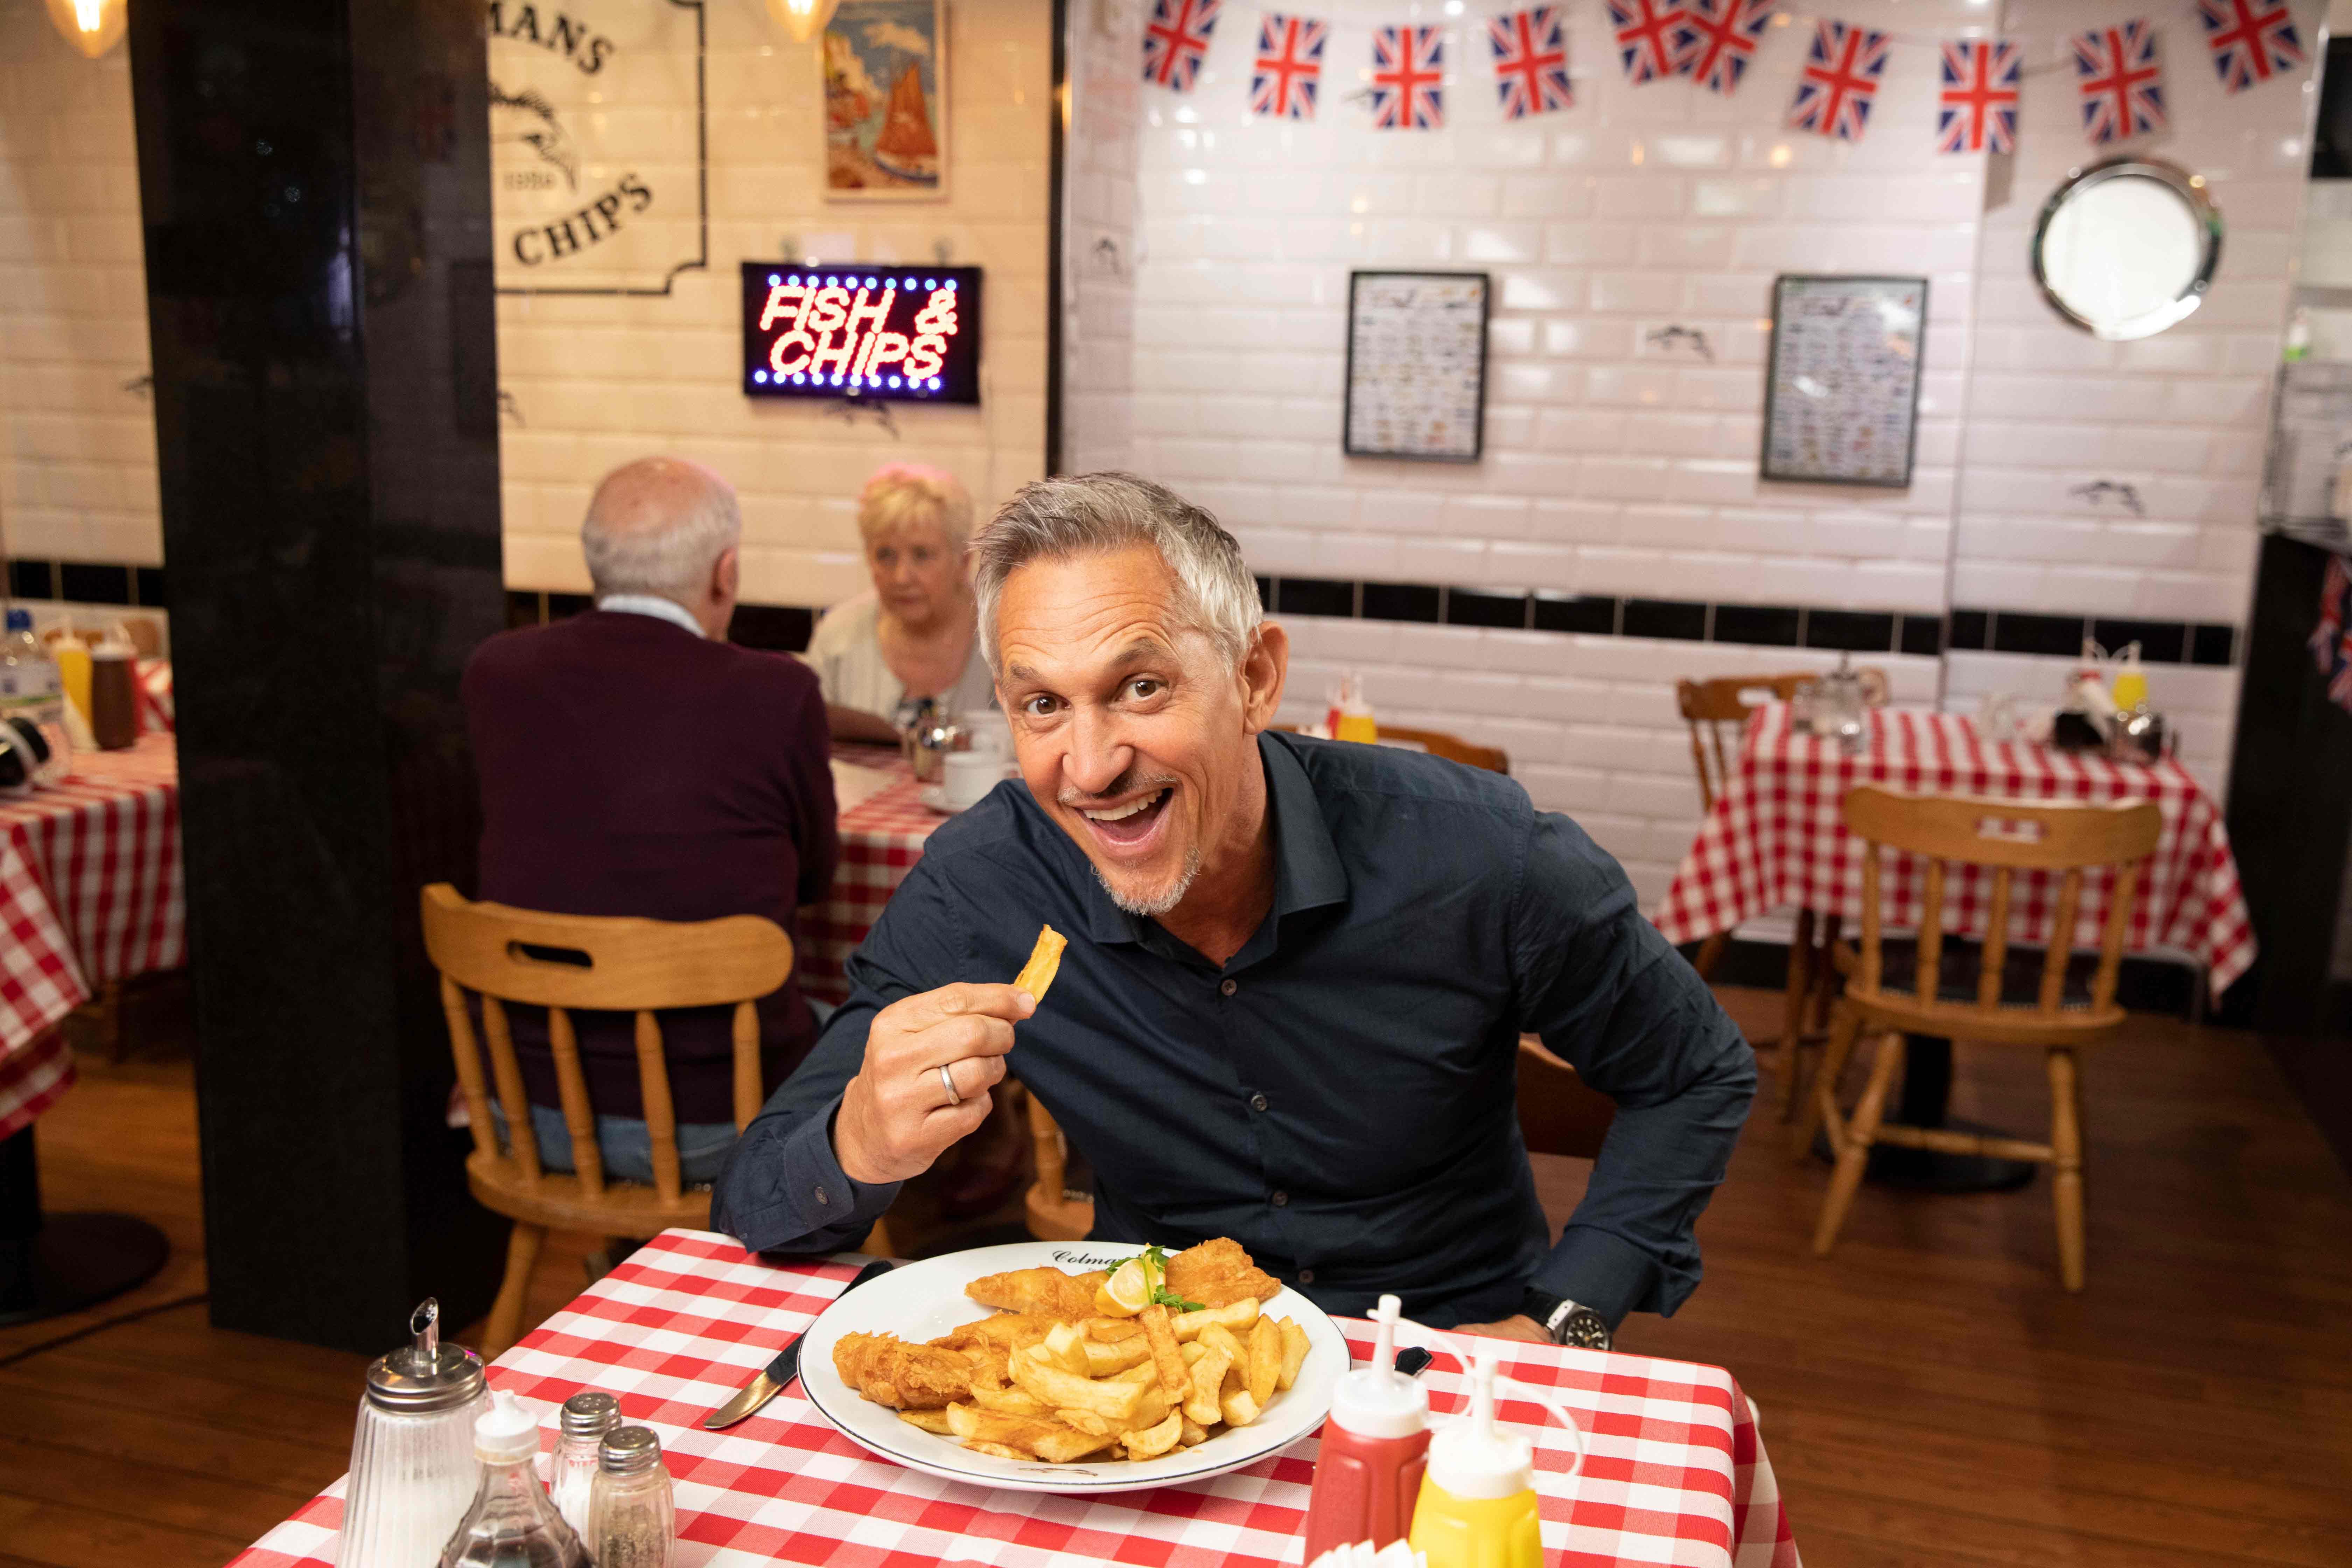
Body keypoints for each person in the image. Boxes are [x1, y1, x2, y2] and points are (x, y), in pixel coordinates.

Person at [712, 473, 1755, 1344]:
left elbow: (1694, 1069)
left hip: (1451, 1361)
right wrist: (852, 1143)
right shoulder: (984, 884)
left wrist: (1560, 1319)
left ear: (1255, 677)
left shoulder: (1482, 854)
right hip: (1153, 1372)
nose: (1089, 764)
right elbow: (754, 1194)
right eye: (1041, 704)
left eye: (1139, 687)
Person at [463, 456, 839, 1185]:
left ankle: (627, 1261)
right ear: (725, 574)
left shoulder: (495, 672)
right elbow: (816, 879)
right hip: (719, 1118)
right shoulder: (778, 692)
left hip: (522, 1110)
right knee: (873, 1038)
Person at [802, 464, 994, 744]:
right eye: (886, 556)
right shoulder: (837, 637)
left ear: (963, 561)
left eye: (922, 555)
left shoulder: (1003, 636)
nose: (902, 577)